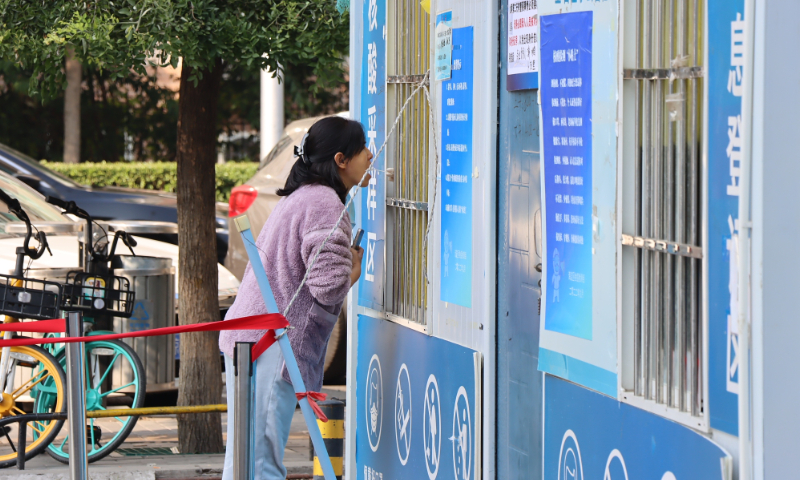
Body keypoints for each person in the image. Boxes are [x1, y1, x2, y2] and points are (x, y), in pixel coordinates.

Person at [219, 116, 370, 480]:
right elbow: (328, 287)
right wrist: (354, 271)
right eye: (362, 148)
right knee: (260, 463)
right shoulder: (324, 203)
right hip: (270, 346)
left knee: (245, 459)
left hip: (250, 340)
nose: (370, 155)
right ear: (340, 159)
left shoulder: (304, 196)